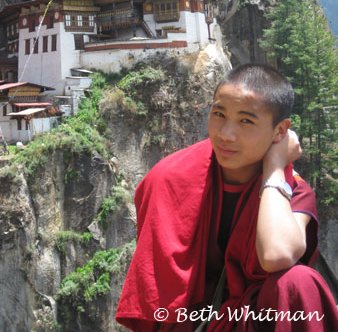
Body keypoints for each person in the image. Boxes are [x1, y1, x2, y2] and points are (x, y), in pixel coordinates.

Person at [116, 63, 338, 331]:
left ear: (280, 131)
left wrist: (276, 169)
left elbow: (276, 254)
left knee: (300, 282)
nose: (224, 134)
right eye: (218, 114)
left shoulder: (293, 189)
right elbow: (156, 293)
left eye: (246, 120)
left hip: (252, 321)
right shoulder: (171, 178)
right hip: (189, 323)